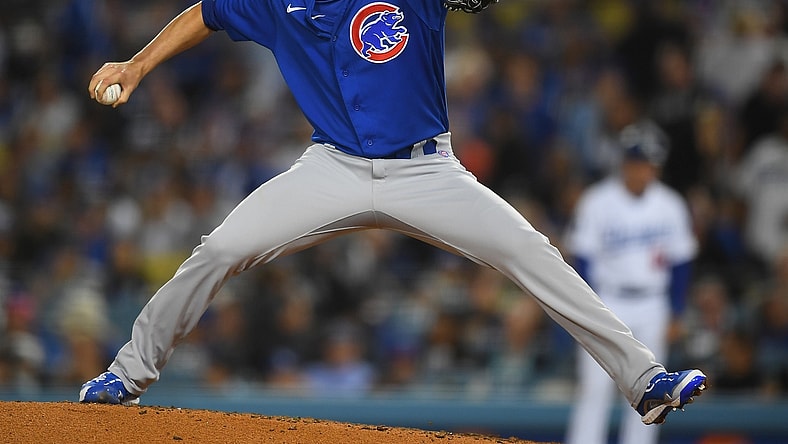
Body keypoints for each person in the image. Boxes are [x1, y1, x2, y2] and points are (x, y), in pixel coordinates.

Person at [79, 0, 706, 426]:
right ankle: (127, 375)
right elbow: (207, 13)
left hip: (426, 170)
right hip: (332, 168)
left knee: (528, 250)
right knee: (218, 249)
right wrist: (137, 64)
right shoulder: (278, 3)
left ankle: (644, 379)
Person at [564, 122, 698, 444]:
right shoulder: (597, 201)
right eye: (638, 163)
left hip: (653, 303)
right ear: (625, 163)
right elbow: (582, 258)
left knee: (651, 395)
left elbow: (682, 262)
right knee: (594, 388)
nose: (644, 171)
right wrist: (586, 308)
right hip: (608, 301)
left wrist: (676, 311)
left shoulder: (670, 204)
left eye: (650, 164)